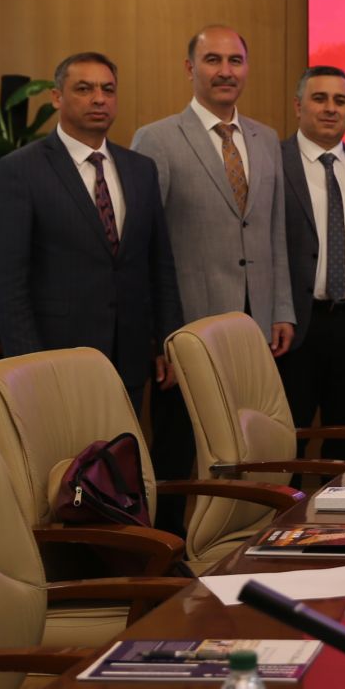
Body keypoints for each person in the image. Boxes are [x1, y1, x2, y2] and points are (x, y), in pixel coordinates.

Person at [131, 26, 293, 495]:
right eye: (212, 60)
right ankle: (167, 537)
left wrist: (281, 308)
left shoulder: (266, 138)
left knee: (247, 449)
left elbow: (274, 231)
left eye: (235, 61)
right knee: (177, 451)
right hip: (186, 331)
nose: (225, 71)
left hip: (255, 329)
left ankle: (238, 532)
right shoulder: (157, 139)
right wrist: (160, 335)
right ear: (190, 69)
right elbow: (145, 247)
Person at [0, 52, 181, 405]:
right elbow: (7, 281)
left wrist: (167, 339)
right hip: (57, 358)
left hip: (131, 355)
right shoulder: (20, 170)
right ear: (57, 97)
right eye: (84, 89)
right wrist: (27, 364)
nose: (99, 99)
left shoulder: (140, 169)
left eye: (108, 89)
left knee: (126, 441)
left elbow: (160, 264)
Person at [279, 66, 345, 457]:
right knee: (287, 441)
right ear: (298, 106)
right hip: (295, 326)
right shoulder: (272, 161)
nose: (330, 109)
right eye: (319, 98)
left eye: (340, 101)